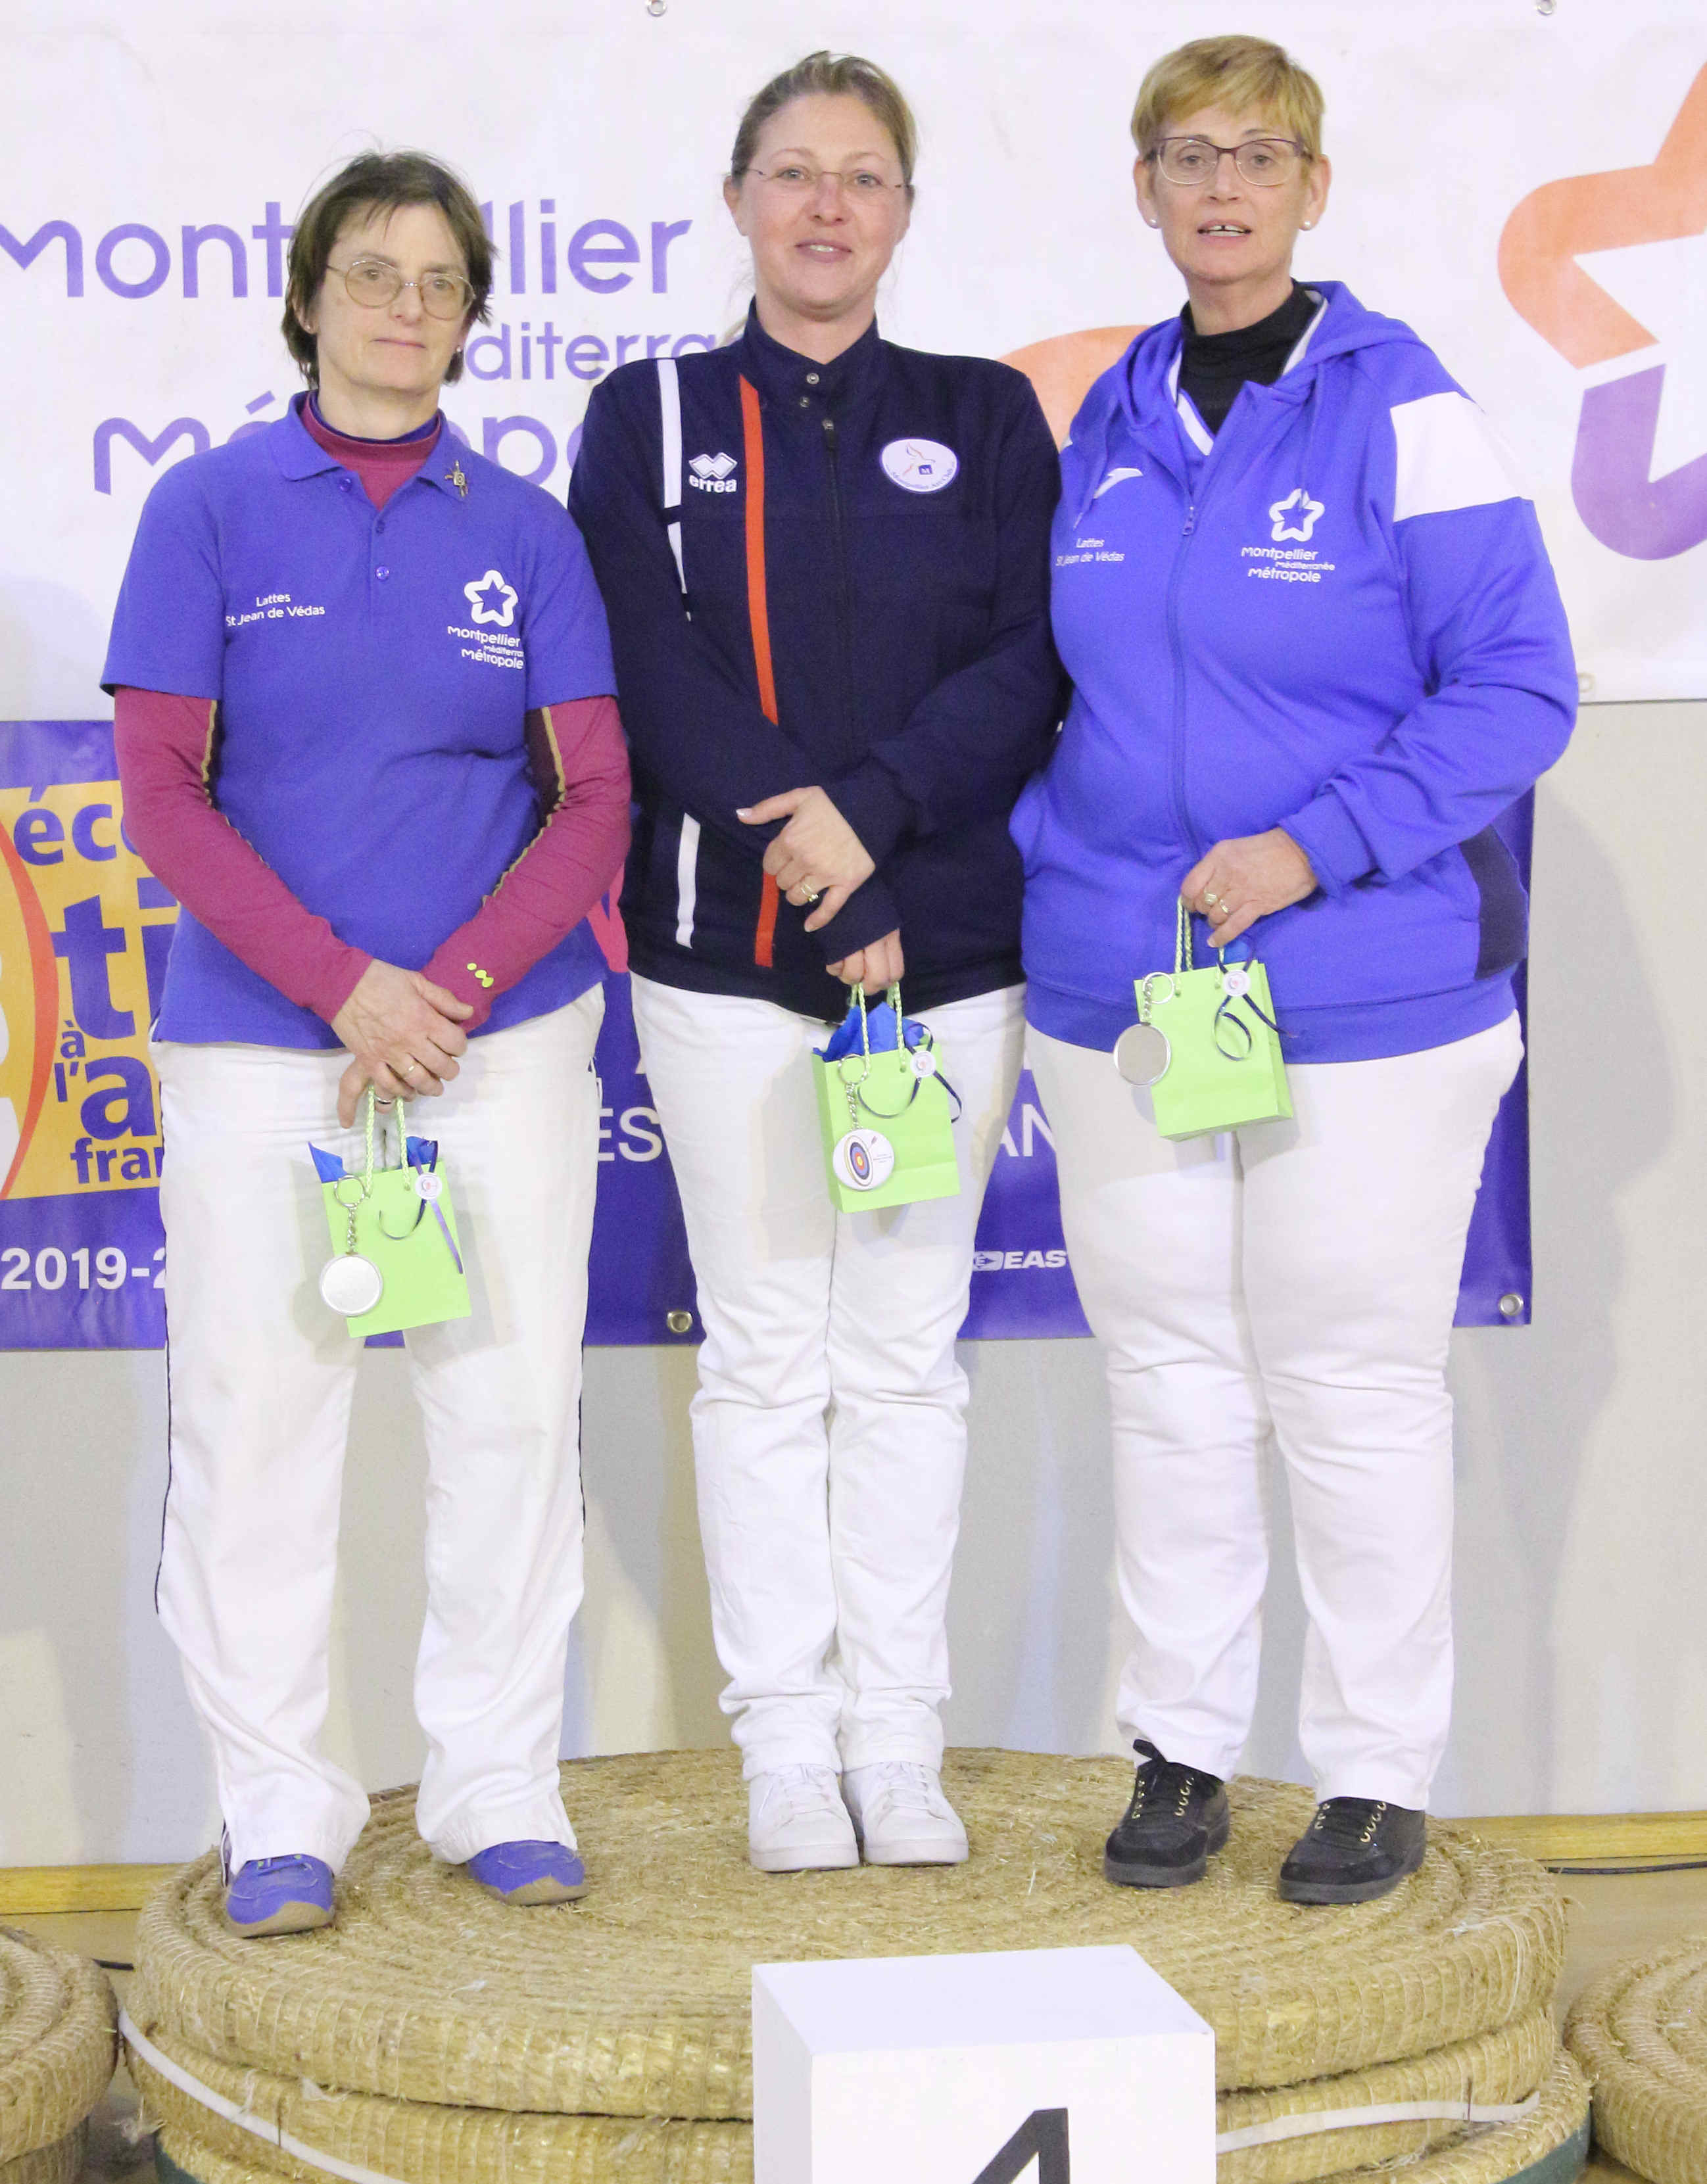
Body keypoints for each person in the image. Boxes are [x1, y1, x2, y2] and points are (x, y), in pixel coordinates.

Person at [1013, 36, 1576, 1904]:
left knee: (1345, 1381)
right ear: (1145, 189)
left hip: (1368, 989)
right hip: (1128, 990)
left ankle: (1371, 1769)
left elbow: (1519, 686)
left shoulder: (1403, 404)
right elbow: (1048, 684)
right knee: (1170, 1375)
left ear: (1313, 188)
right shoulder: (1104, 420)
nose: (1222, 187)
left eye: (1258, 156)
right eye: (1187, 155)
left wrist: (1312, 848)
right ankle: (1179, 1748)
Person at [103, 151, 630, 1936]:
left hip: (499, 1046)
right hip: (270, 1052)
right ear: (309, 297)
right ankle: (280, 1811)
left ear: (473, 316)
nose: (406, 307)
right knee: (256, 1430)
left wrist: (446, 990)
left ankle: (498, 1782)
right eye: (371, 272)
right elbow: (160, 793)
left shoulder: (526, 528)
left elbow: (595, 801)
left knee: (511, 1420)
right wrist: (346, 989)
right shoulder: (208, 509)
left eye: (439, 281)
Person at [571, 51, 1061, 1872]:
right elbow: (649, 665)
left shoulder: (986, 415)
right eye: (793, 171)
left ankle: (896, 1739)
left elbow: (1029, 660)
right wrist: (826, 871)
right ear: (737, 200)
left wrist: (877, 819)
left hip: (948, 964)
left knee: (907, 1363)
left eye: (862, 175)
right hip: (724, 964)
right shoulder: (646, 415)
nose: (826, 205)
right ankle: (785, 1745)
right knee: (768, 1362)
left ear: (906, 211)